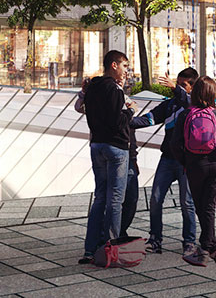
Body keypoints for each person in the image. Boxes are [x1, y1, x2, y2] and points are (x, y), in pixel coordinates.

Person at [79, 50, 135, 266]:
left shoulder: (92, 87)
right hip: (116, 148)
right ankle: (111, 248)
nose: (126, 71)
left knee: (100, 197)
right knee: (115, 200)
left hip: (97, 146)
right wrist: (130, 111)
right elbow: (118, 121)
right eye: (125, 66)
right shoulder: (115, 90)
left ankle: (90, 249)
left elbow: (86, 112)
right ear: (114, 65)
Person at [172, 77, 216, 267]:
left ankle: (206, 249)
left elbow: (175, 144)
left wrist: (186, 161)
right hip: (214, 165)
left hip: (194, 166)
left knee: (201, 207)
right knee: (208, 207)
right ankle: (213, 248)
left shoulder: (185, 115)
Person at [144, 67, 199, 255]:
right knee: (155, 199)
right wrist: (124, 121)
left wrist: (176, 90)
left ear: (193, 87)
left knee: (187, 202)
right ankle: (155, 240)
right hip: (167, 159)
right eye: (178, 84)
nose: (178, 88)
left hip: (186, 162)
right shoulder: (170, 105)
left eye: (183, 85)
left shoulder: (194, 105)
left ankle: (189, 242)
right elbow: (149, 119)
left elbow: (187, 101)